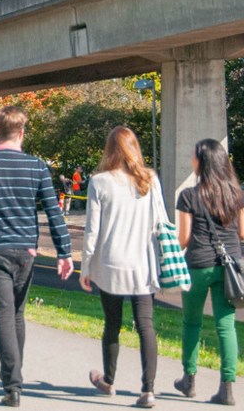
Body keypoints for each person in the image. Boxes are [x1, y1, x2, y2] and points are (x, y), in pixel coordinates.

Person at [0, 106, 74, 407]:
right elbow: (54, 214)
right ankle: (15, 379)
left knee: (3, 315)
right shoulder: (36, 167)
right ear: (21, 133)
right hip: (26, 252)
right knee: (17, 314)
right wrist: (64, 252)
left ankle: (12, 386)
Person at [80, 127, 161, 409]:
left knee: (112, 324)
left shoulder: (99, 182)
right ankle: (148, 390)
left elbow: (92, 230)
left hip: (110, 264)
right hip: (142, 263)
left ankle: (109, 380)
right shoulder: (149, 180)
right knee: (145, 325)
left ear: (109, 150)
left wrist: (85, 266)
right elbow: (158, 223)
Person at [174, 139, 244, 406]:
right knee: (226, 326)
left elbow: (183, 239)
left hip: (198, 265)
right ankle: (227, 388)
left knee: (192, 322)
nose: (191, 161)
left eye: (194, 157)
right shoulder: (236, 194)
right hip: (229, 269)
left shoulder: (189, 196)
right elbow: (243, 233)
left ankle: (189, 380)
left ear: (202, 162)